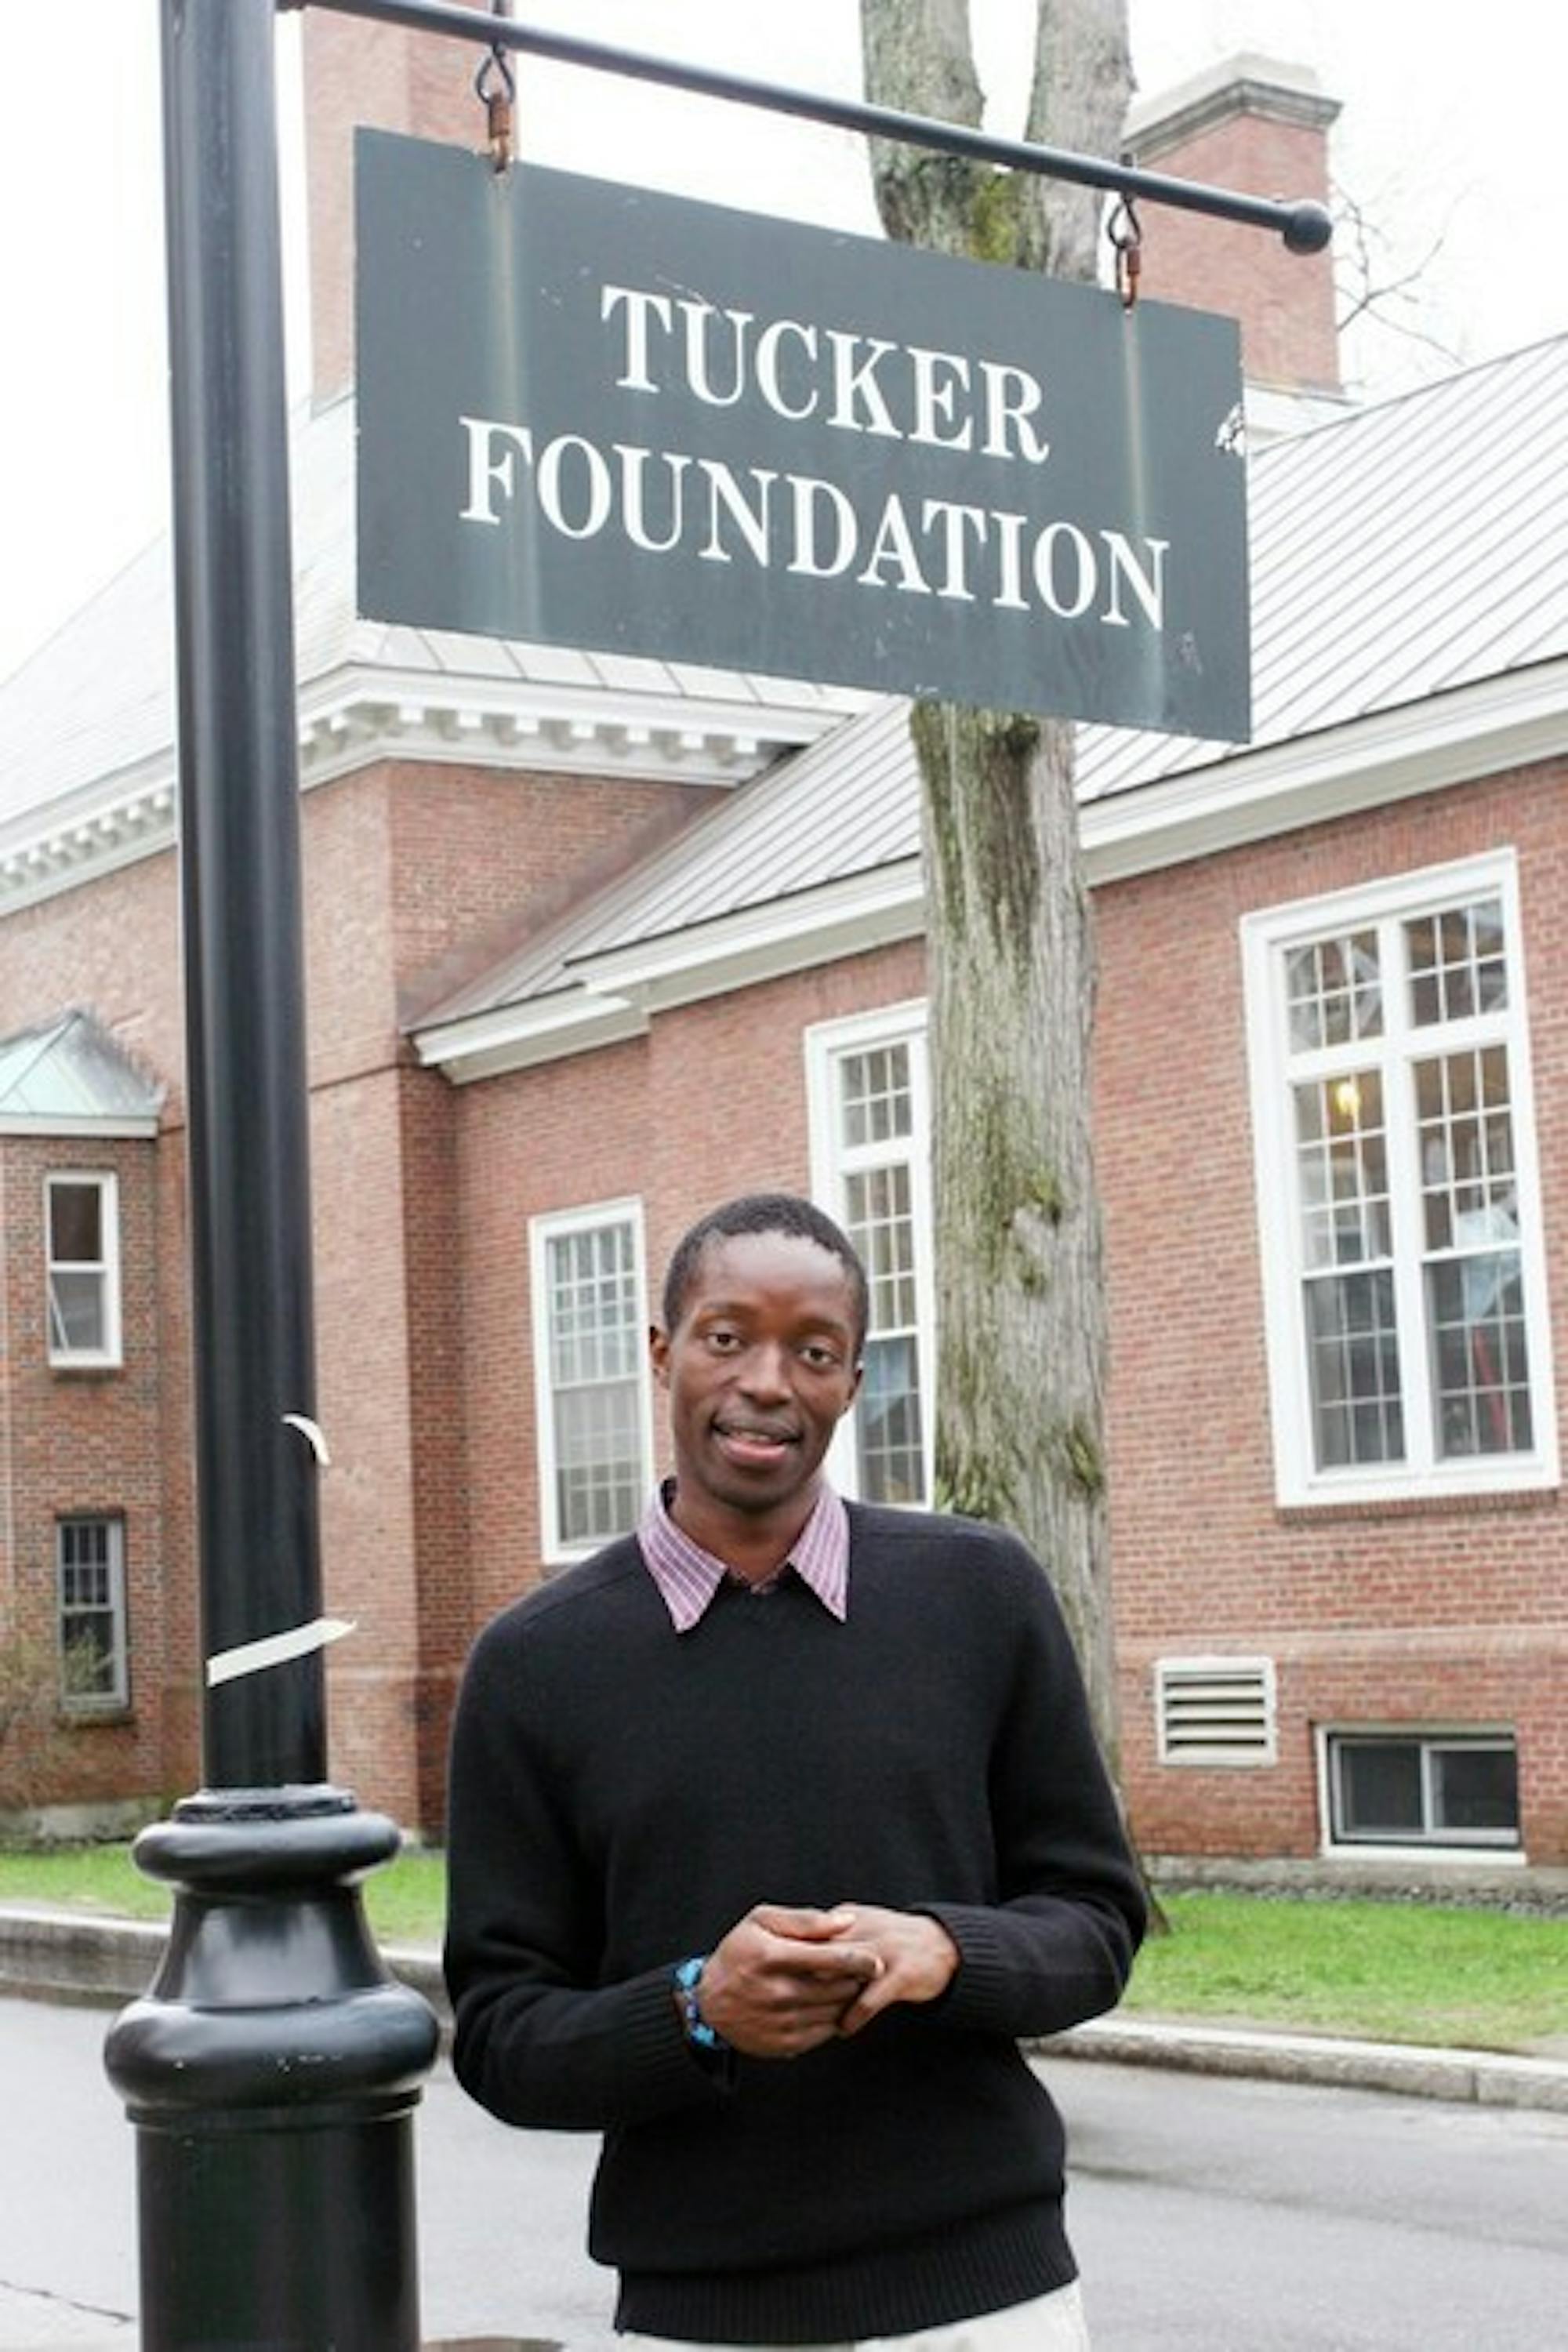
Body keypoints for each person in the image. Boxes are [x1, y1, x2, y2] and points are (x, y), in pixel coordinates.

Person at [445, 1192, 1145, 2351]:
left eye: (814, 1352)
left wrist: (945, 1951)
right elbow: (500, 2040)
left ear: (854, 1383)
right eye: (727, 1338)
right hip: (702, 2313)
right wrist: (695, 2010)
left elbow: (1097, 1924)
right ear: (662, 1353)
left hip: (987, 2302)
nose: (768, 1382)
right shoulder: (535, 1665)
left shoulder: (980, 1596)